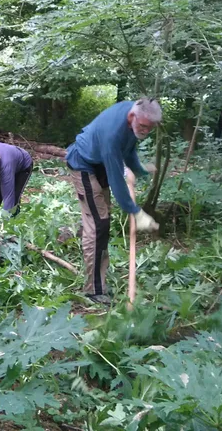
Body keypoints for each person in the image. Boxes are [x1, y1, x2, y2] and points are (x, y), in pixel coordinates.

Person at [65, 97, 162, 304]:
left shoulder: (135, 119)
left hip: (98, 163)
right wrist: (135, 211)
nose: (145, 131)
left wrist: (139, 170)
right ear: (131, 116)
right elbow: (117, 180)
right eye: (144, 126)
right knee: (99, 225)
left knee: (100, 218)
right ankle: (94, 290)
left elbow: (129, 149)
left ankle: (94, 260)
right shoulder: (112, 134)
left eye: (150, 128)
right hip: (83, 164)